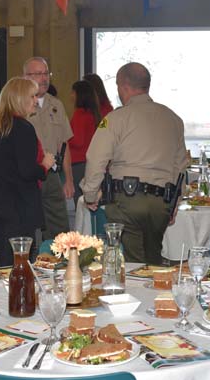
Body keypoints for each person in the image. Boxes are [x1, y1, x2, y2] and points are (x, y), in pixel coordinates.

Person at [81, 62, 188, 264]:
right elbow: (180, 167)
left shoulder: (115, 118)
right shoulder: (174, 119)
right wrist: (174, 203)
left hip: (126, 202)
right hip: (161, 203)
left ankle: (138, 291)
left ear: (123, 86)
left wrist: (90, 194)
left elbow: (96, 158)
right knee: (153, 259)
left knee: (133, 264)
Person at [0, 78, 55, 266]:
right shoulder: (22, 128)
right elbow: (26, 171)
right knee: (20, 264)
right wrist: (45, 165)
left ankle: (9, 294)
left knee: (5, 261)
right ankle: (19, 296)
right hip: (17, 206)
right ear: (19, 99)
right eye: (32, 96)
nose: (35, 101)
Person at [24, 57, 74, 240]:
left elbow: (64, 144)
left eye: (46, 73)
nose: (44, 78)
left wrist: (68, 179)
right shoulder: (19, 105)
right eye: (38, 74)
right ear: (26, 77)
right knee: (26, 229)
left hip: (52, 176)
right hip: (27, 175)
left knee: (60, 229)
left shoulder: (57, 105)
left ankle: (62, 265)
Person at [69, 80, 102, 203]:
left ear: (79, 94)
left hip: (78, 162)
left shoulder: (79, 114)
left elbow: (78, 141)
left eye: (73, 92)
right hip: (89, 160)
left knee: (80, 201)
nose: (71, 95)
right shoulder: (93, 113)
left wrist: (64, 139)